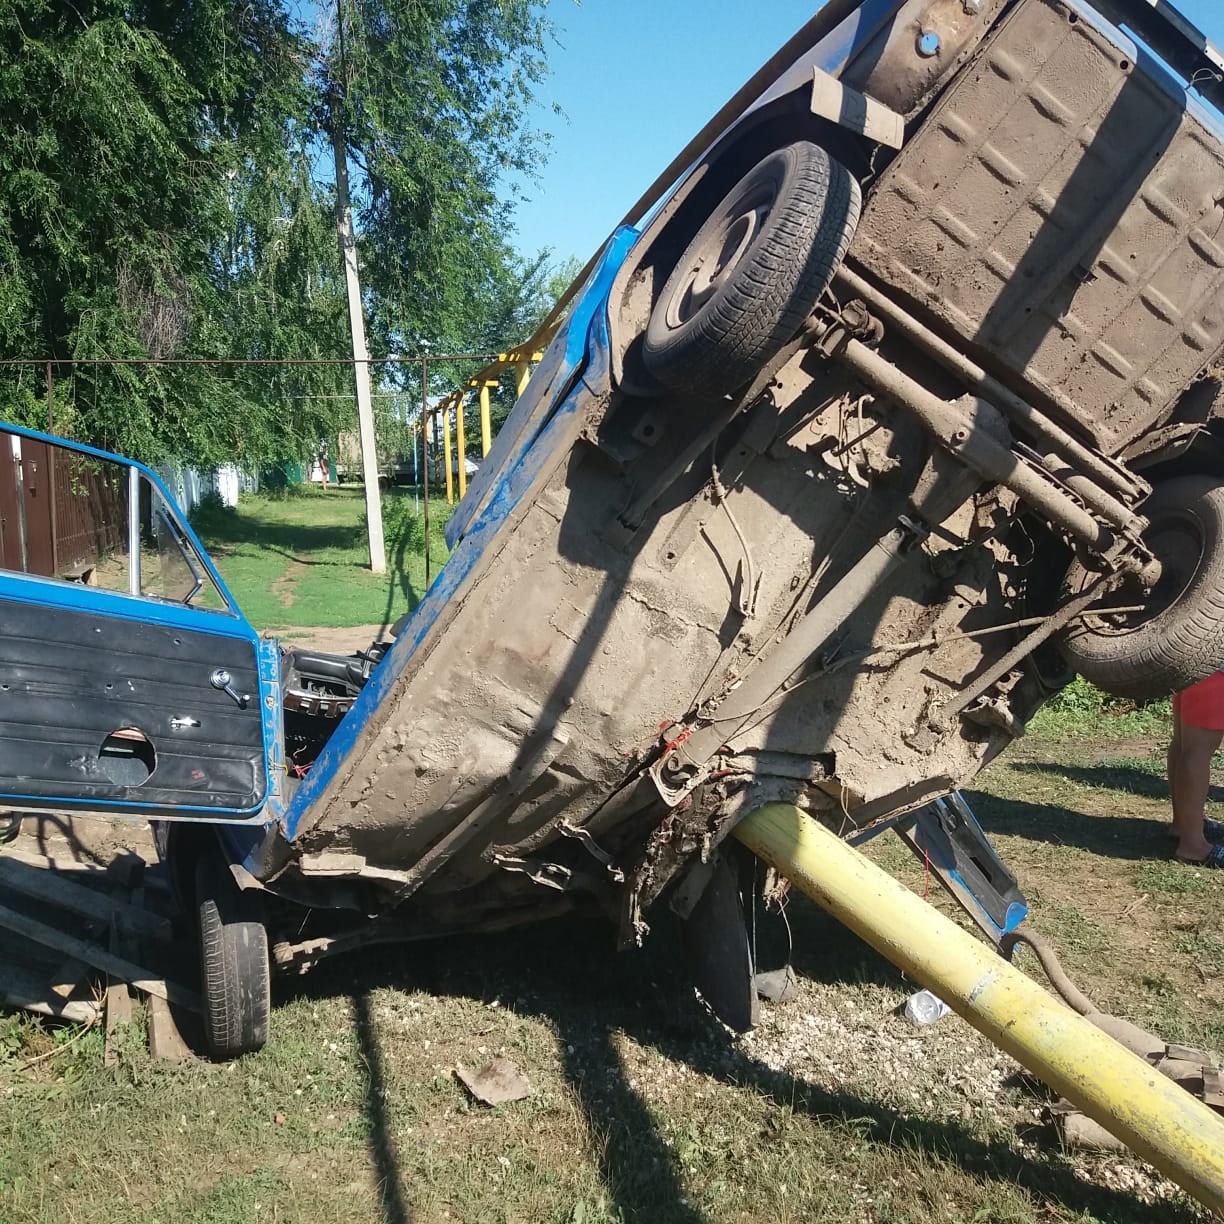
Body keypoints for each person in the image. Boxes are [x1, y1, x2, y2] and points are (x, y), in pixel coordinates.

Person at [1168, 670, 1224, 867]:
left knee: (1185, 744)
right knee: (1198, 748)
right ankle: (1193, 846)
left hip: (1193, 659)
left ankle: (1183, 826)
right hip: (1216, 663)